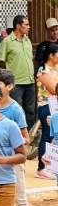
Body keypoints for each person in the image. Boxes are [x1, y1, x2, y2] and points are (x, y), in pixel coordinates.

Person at [0, 15, 35, 130]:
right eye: (26, 24)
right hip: (16, 82)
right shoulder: (7, 41)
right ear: (18, 26)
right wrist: (11, 73)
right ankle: (16, 135)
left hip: (30, 81)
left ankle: (30, 136)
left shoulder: (27, 40)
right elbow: (1, 61)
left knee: (30, 111)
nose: (29, 27)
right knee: (15, 110)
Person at [34, 43, 58, 180]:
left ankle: (51, 165)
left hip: (55, 106)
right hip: (46, 105)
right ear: (51, 55)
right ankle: (41, 168)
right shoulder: (44, 70)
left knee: (54, 135)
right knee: (47, 136)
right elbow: (55, 88)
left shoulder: (55, 68)